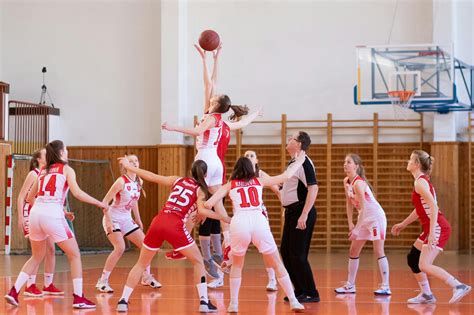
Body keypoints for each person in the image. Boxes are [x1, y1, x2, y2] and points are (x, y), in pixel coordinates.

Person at [161, 43, 262, 279]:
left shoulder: (211, 118)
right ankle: (228, 244)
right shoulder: (224, 121)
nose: (210, 93)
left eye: (213, 97)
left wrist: (172, 127)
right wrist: (211, 59)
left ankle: (181, 244)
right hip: (216, 162)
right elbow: (212, 85)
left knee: (194, 202)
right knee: (217, 203)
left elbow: (197, 132)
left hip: (205, 160)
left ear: (215, 104)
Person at [115, 158, 230, 313]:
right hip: (174, 225)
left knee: (141, 263)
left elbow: (152, 176)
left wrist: (130, 168)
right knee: (198, 262)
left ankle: (123, 300)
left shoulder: (178, 180)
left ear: (190, 171)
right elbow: (203, 211)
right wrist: (225, 218)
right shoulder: (201, 190)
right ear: (206, 175)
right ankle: (204, 302)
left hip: (158, 221)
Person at [5, 140, 108, 309]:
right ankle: (79, 298)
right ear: (61, 153)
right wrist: (100, 203)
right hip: (51, 215)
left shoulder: (43, 171)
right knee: (74, 255)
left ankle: (14, 291)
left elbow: (30, 198)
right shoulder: (67, 169)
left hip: (35, 214)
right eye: (66, 149)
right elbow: (77, 193)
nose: (67, 152)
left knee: (36, 256)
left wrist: (56, 208)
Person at [204, 154, 307, 312]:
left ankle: (233, 304)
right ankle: (293, 301)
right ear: (250, 169)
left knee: (237, 265)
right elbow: (285, 176)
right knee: (277, 264)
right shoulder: (259, 180)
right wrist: (300, 160)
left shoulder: (230, 185)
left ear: (236, 169)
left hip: (239, 222)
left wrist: (200, 204)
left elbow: (209, 204)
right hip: (259, 221)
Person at [392, 150, 471, 304]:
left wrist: (433, 231)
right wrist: (403, 224)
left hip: (437, 226)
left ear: (416, 164)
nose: (407, 162)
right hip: (431, 226)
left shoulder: (420, 182)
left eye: (410, 159)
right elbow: (420, 209)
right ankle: (426, 294)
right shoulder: (421, 181)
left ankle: (458, 285)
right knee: (413, 258)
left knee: (424, 264)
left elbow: (434, 207)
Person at [96, 154, 161, 293]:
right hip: (112, 217)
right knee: (119, 248)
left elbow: (134, 201)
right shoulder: (121, 182)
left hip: (126, 218)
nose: (135, 163)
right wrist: (108, 220)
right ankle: (102, 281)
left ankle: (146, 277)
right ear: (125, 166)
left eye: (136, 160)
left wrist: (138, 219)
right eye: (131, 161)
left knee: (146, 246)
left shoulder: (139, 181)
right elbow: (104, 203)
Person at [334, 153, 391, 295]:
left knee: (378, 251)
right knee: (353, 251)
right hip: (363, 218)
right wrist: (350, 223)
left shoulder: (359, 183)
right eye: (344, 161)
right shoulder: (346, 181)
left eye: (348, 162)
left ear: (356, 166)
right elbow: (349, 203)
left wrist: (358, 228)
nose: (345, 164)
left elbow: (364, 207)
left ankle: (386, 286)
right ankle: (350, 285)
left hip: (375, 218)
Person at [17, 148, 67, 297]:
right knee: (38, 252)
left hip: (46, 214)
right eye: (45, 154)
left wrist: (64, 213)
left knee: (51, 249)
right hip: (32, 213)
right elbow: (21, 197)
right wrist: (20, 217)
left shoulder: (50, 173)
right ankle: (30, 285)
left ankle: (48, 284)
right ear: (38, 159)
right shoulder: (34, 174)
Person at [280, 131, 320, 303]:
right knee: (287, 253)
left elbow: (313, 188)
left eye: (292, 138)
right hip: (292, 212)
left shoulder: (304, 163)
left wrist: (303, 214)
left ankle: (311, 292)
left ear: (299, 144)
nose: (288, 140)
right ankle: (299, 290)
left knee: (298, 254)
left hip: (301, 213)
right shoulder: (294, 162)